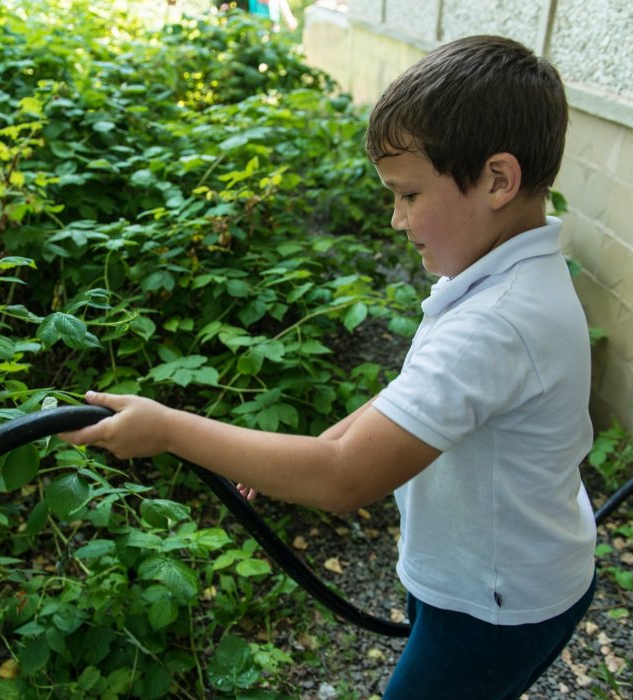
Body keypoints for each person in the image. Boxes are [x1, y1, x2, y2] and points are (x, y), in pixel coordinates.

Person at [60, 35, 597, 699]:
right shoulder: (509, 277)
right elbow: (412, 398)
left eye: (407, 194)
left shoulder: (497, 322)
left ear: (496, 180)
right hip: (496, 573)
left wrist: (170, 430)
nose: (397, 219)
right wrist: (306, 446)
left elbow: (343, 482)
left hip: (493, 606)